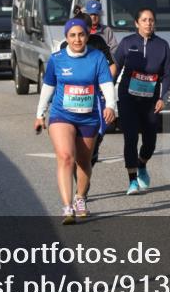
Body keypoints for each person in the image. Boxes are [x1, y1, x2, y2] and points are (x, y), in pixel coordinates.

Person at [35, 18, 117, 224]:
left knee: (84, 160)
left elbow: (106, 84)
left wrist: (110, 106)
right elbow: (48, 87)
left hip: (88, 117)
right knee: (65, 157)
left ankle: (80, 197)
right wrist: (40, 114)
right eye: (72, 35)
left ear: (87, 36)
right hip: (62, 114)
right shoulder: (57, 59)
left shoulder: (97, 57)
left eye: (81, 34)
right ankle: (67, 206)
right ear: (66, 38)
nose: (77, 39)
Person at [113, 7, 170, 195]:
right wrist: (106, 95)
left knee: (150, 142)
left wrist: (163, 98)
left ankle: (141, 164)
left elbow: (167, 75)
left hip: (150, 101)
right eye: (145, 20)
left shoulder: (162, 45)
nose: (148, 23)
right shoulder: (127, 43)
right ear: (137, 23)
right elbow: (115, 67)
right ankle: (132, 181)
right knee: (130, 138)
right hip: (128, 98)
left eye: (151, 20)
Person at [60, 10, 117, 167]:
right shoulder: (65, 45)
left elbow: (112, 66)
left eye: (84, 30)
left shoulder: (98, 42)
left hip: (95, 95)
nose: (79, 36)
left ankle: (93, 150)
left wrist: (104, 84)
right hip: (72, 97)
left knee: (98, 130)